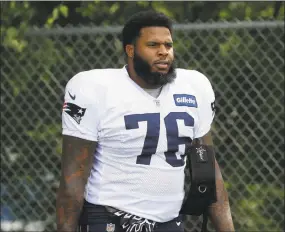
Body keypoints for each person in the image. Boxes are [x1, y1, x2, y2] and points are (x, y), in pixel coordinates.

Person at [56, 10, 235, 232]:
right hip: (109, 220)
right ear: (130, 50)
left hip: (169, 222)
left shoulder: (194, 87)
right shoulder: (94, 89)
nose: (163, 52)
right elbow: (73, 180)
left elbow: (208, 169)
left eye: (168, 45)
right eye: (153, 45)